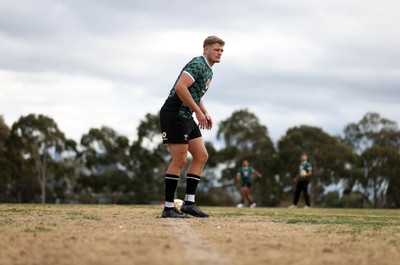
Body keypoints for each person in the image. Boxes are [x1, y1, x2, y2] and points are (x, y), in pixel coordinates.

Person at [160, 36, 225, 218]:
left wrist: (204, 112)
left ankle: (189, 203)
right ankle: (168, 208)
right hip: (174, 114)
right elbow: (181, 87)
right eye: (216, 50)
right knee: (180, 160)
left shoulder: (209, 71)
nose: (219, 53)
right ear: (206, 50)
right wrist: (197, 111)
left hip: (186, 115)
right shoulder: (198, 64)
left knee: (201, 155)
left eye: (221, 51)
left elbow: (194, 93)